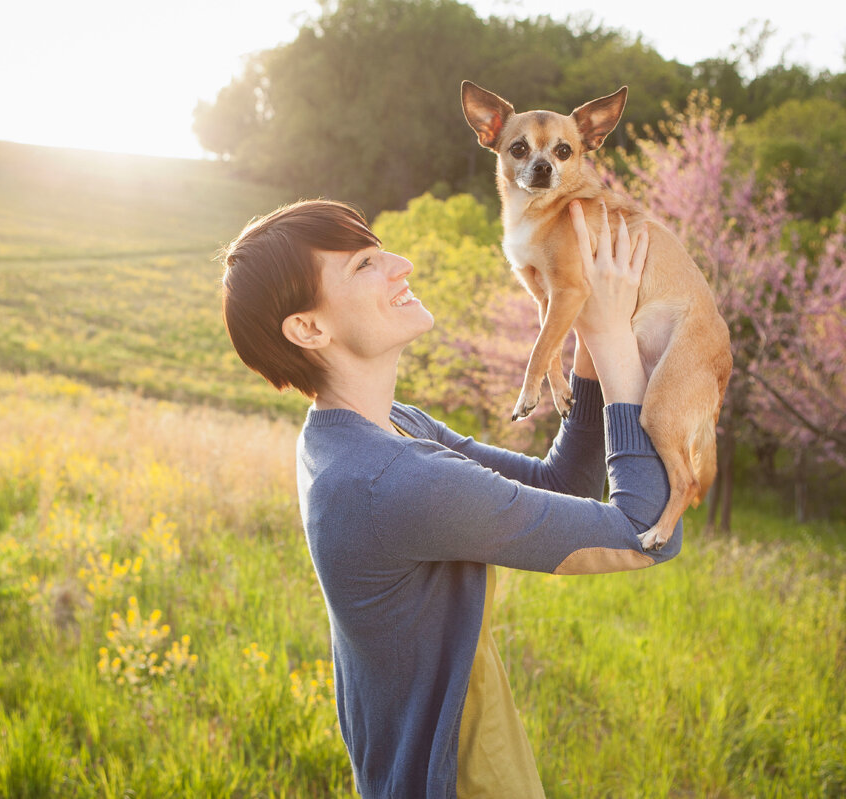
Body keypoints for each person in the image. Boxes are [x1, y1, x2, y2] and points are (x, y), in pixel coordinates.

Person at [220, 197, 681, 798]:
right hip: (454, 775)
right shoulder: (388, 480)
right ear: (309, 328)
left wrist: (586, 321)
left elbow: (558, 487)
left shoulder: (373, 430)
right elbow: (645, 533)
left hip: (453, 745)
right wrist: (614, 335)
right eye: (363, 265)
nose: (401, 264)